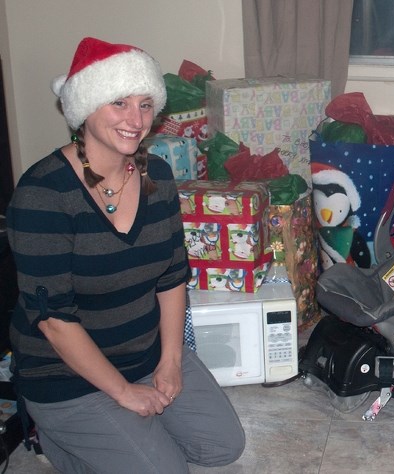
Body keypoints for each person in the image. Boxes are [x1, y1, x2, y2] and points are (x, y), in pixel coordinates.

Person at [6, 37, 245, 473]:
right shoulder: (43, 194)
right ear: (85, 108)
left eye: (145, 104)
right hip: (64, 374)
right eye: (119, 103)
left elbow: (172, 278)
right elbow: (54, 322)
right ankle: (58, 438)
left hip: (144, 352)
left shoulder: (160, 176)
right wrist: (121, 392)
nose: (136, 120)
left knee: (223, 447)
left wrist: (170, 361)